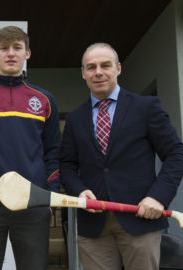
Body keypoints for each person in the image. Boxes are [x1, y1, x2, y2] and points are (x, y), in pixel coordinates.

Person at [60, 43, 183, 270]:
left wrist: (158, 196)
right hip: (93, 223)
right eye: (91, 67)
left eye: (105, 65)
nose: (98, 72)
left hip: (140, 217)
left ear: (118, 68)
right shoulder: (75, 119)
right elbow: (66, 165)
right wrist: (79, 190)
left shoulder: (146, 107)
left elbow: (176, 153)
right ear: (83, 73)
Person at [0, 26, 61, 270]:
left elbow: (53, 152)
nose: (10, 54)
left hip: (32, 202)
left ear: (27, 53)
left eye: (17, 48)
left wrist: (50, 195)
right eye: (4, 48)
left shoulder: (45, 99)